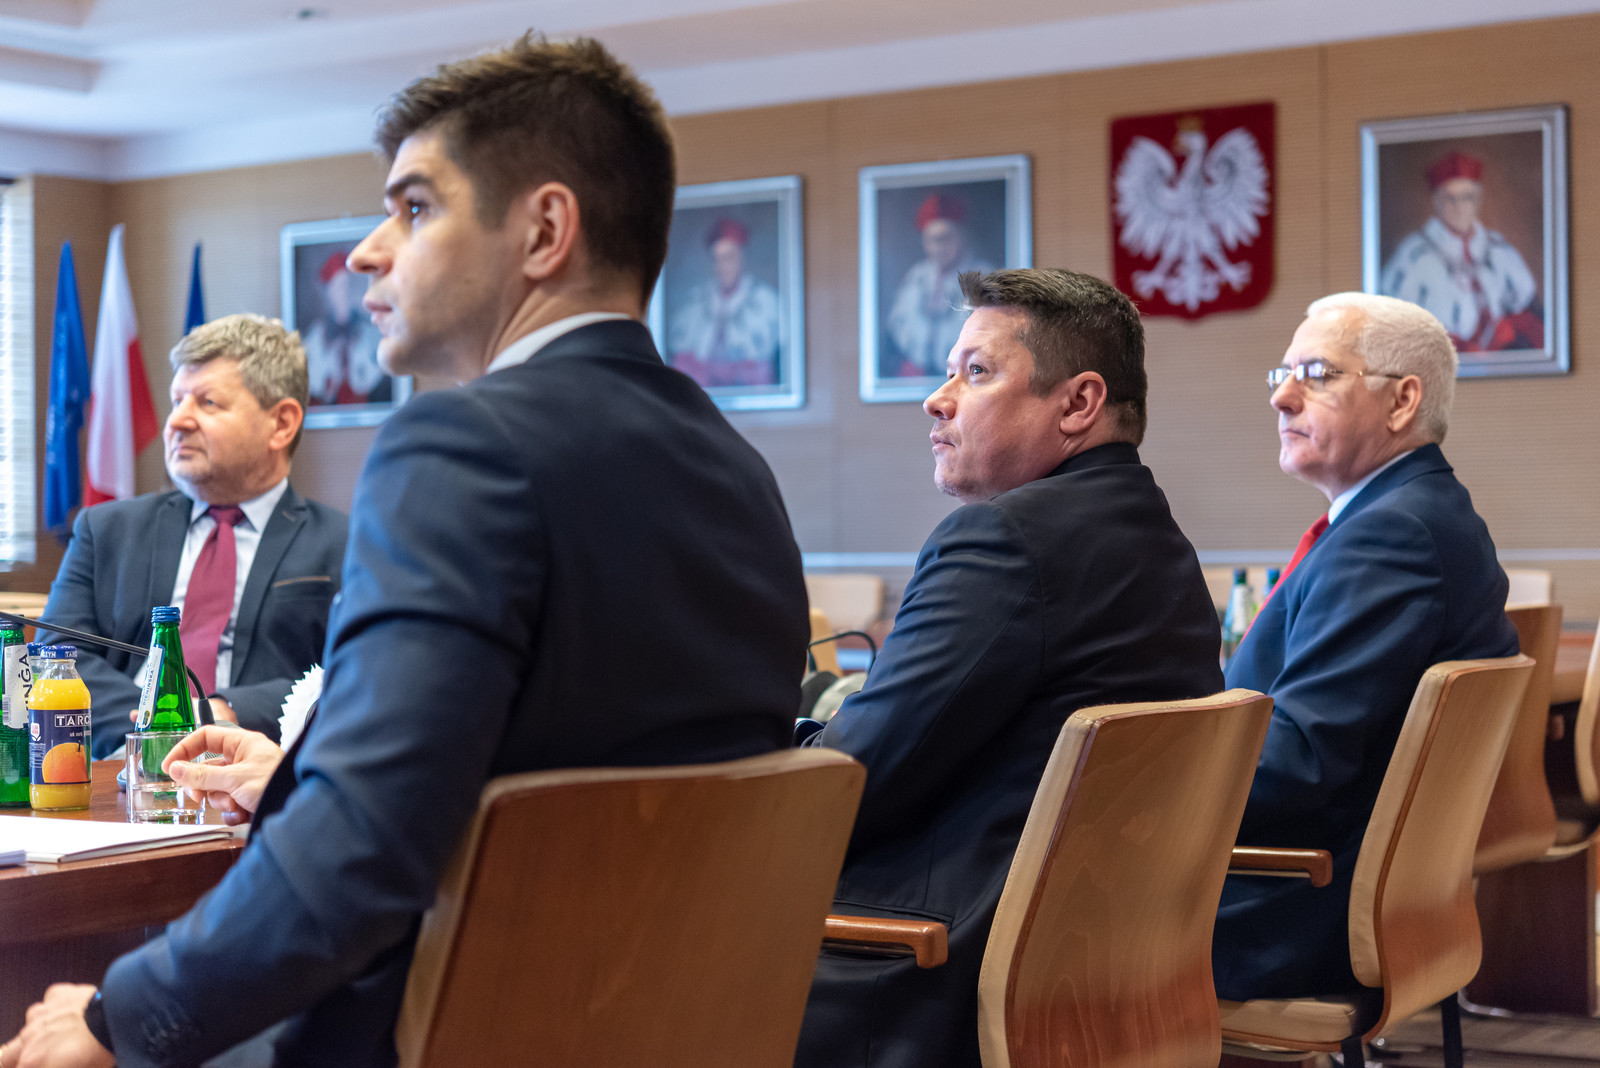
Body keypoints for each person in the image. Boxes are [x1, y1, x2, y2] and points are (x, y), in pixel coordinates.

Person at [4, 33, 806, 1068]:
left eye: (415, 208)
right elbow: (547, 762)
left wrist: (119, 1019)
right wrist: (299, 769)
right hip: (652, 1027)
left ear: (544, 230)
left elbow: (361, 854)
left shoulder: (460, 444)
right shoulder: (734, 467)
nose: (365, 254)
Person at [796, 268, 1223, 1068]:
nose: (938, 399)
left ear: (1078, 403)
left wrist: (776, 755)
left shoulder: (1002, 541)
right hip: (1099, 978)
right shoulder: (1160, 542)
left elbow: (851, 787)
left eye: (976, 372)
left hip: (932, 978)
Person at [1214, 292, 1518, 1000]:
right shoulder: (1421, 512)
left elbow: (1298, 763)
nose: (1282, 398)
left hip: (1292, 912)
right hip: (1357, 896)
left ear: (1402, 401)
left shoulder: (1390, 535)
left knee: (1022, 910)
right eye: (1281, 375)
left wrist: (1141, 792)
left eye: (1317, 374)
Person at [39, 314, 347, 754]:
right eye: (176, 400)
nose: (177, 421)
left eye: (208, 403)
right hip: (119, 766)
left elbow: (352, 672)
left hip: (262, 770)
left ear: (281, 424)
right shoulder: (105, 528)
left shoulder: (345, 542)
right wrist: (162, 730)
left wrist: (228, 711)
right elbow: (57, 655)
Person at [1379, 151, 1541, 352]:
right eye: (1450, 198)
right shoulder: (1413, 254)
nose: (1459, 207)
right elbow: (1390, 326)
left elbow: (1532, 315)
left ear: (1478, 200)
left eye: (1467, 197)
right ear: (1436, 202)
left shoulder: (1499, 249)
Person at [884, 192, 995, 377]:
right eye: (931, 240)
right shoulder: (916, 276)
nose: (938, 247)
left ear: (962, 236)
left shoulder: (984, 277)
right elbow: (898, 327)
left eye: (945, 238)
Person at [666, 217, 781, 386]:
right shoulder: (694, 304)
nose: (722, 267)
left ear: (742, 258)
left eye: (728, 258)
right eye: (716, 259)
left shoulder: (765, 301)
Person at [303, 253, 388, 406]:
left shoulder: (369, 330)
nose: (343, 294)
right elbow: (312, 381)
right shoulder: (316, 335)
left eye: (346, 286)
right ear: (329, 292)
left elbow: (379, 373)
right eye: (337, 288)